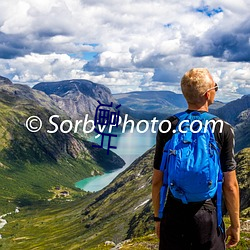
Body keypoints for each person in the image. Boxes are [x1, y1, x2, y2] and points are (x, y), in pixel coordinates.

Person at [152, 68, 240, 250]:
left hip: (174, 212)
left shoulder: (168, 125)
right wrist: (235, 225)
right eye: (216, 87)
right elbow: (230, 185)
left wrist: (158, 218)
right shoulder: (222, 129)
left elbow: (157, 181)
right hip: (207, 215)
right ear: (208, 94)